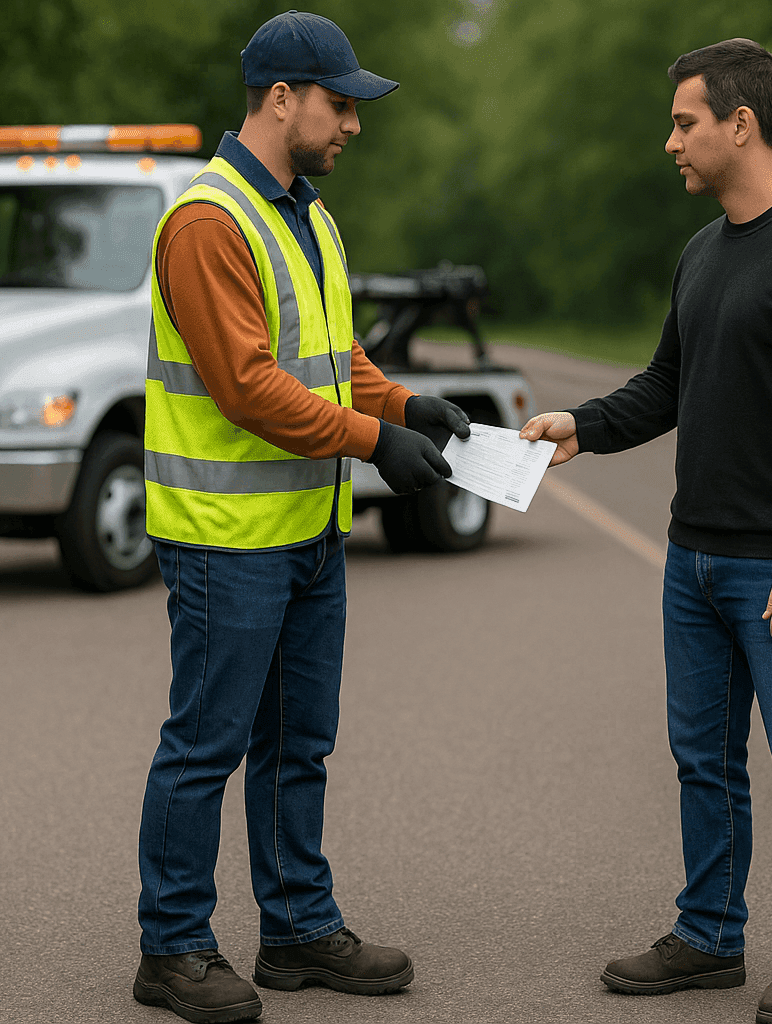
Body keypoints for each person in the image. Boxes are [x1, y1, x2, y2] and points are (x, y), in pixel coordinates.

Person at [520, 38, 772, 1024]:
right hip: (694, 559)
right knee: (704, 760)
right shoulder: (704, 251)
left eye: (684, 122)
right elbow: (671, 382)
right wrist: (582, 425)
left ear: (741, 124)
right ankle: (711, 934)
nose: (669, 140)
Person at [132, 12, 471, 1024]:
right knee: (207, 742)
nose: (354, 124)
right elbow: (244, 385)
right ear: (281, 98)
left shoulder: (305, 215)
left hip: (305, 533)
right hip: (222, 538)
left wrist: (407, 404)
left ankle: (295, 930)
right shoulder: (209, 218)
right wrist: (373, 446)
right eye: (341, 104)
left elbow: (331, 357)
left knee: (298, 741)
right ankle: (174, 945)